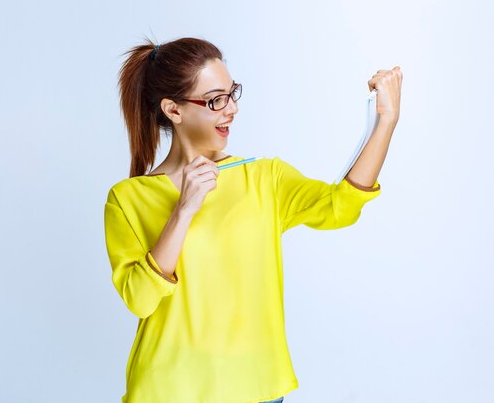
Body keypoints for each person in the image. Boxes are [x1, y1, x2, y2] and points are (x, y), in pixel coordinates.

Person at [103, 36, 402, 403]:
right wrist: (183, 211)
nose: (231, 110)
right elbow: (140, 300)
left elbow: (340, 206)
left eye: (232, 94)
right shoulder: (128, 198)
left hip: (257, 386)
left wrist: (385, 122)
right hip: (169, 390)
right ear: (173, 110)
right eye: (215, 100)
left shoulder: (264, 177)